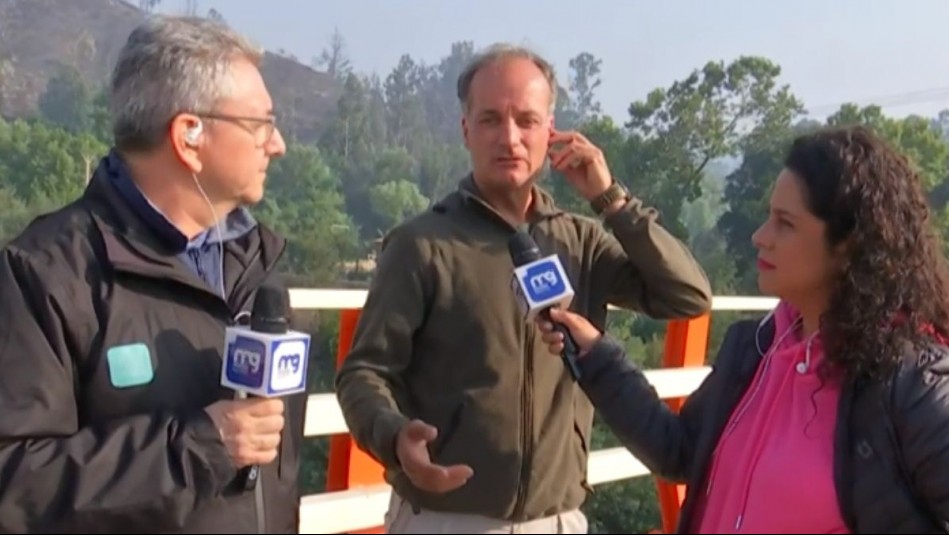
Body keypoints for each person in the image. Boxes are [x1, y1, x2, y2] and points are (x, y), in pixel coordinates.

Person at [335, 43, 712, 534]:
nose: (509, 138)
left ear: (551, 130)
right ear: (465, 129)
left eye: (526, 121)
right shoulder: (422, 244)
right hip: (446, 519)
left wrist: (611, 200)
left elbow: (687, 296)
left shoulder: (581, 241)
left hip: (556, 520)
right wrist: (393, 436)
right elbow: (364, 372)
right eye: (490, 119)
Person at [536, 125, 949, 533]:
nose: (760, 237)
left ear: (848, 245)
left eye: (785, 224)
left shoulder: (912, 381)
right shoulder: (757, 347)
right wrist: (596, 355)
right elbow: (679, 451)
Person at [0, 15, 301, 534]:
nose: (277, 146)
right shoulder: (49, 273)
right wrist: (200, 446)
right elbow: (15, 480)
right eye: (261, 125)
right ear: (189, 136)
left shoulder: (258, 265)